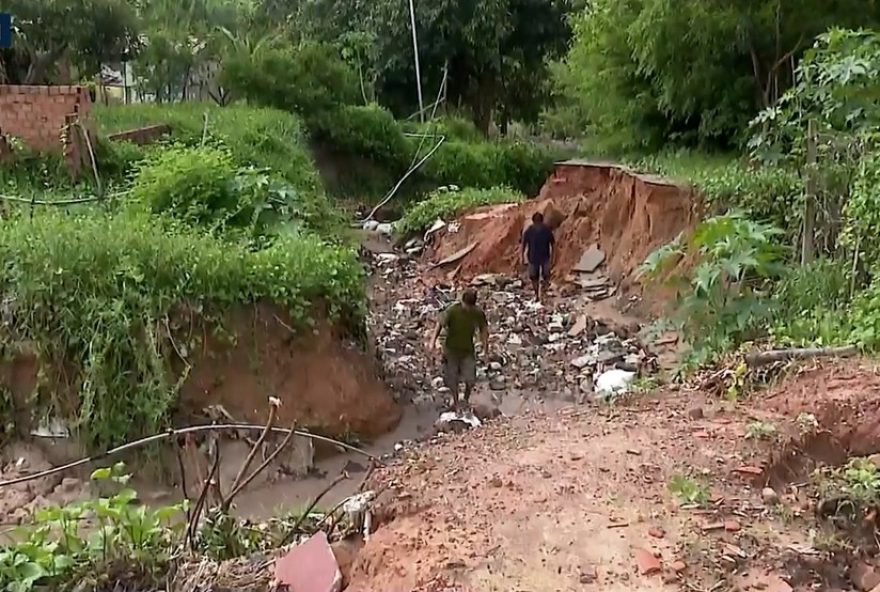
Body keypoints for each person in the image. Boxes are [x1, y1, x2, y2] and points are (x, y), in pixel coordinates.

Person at [431, 288, 489, 412]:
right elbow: (439, 325)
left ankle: (466, 400)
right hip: (451, 349)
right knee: (453, 378)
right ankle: (456, 402)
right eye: (466, 306)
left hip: (467, 349)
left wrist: (485, 350)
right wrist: (433, 342)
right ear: (462, 301)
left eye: (470, 307)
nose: (467, 309)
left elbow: (483, 330)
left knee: (470, 379)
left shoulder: (477, 312)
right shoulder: (453, 310)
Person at [521, 212, 555, 302]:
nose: (538, 225)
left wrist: (553, 256)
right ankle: (538, 294)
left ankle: (542, 292)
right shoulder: (531, 231)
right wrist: (521, 256)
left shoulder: (545, 230)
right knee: (535, 277)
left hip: (541, 257)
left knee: (544, 276)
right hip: (537, 258)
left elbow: (553, 244)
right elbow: (523, 244)